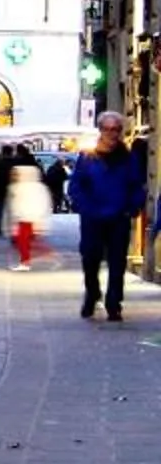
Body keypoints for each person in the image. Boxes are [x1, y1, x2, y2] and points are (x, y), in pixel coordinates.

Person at [71, 109, 148, 323]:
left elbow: (137, 185)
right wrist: (83, 206)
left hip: (118, 217)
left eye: (116, 129)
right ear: (100, 130)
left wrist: (132, 207)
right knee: (90, 258)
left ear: (120, 131)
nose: (111, 134)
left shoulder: (128, 158)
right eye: (107, 129)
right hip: (92, 218)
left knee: (117, 262)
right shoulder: (87, 157)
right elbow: (76, 185)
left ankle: (114, 303)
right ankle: (92, 293)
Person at [8, 150, 51, 269]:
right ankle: (28, 260)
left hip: (26, 217)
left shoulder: (20, 187)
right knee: (26, 241)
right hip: (28, 217)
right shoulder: (36, 187)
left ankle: (27, 261)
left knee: (23, 241)